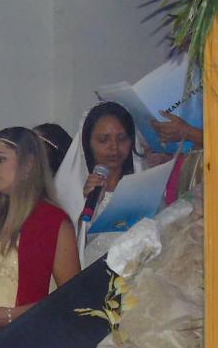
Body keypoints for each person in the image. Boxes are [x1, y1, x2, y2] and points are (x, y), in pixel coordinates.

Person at [0, 127, 78, 348]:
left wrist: (11, 316)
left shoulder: (54, 222)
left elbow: (72, 299)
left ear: (29, 164)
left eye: (1, 160)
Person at [53, 102, 152, 267]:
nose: (114, 147)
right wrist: (89, 204)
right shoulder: (69, 192)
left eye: (122, 139)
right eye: (103, 140)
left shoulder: (145, 187)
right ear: (88, 143)